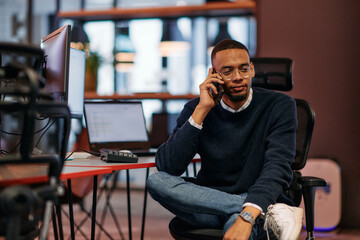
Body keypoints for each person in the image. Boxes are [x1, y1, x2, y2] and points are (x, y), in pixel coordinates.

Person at [146, 39, 303, 240]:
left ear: (252, 70)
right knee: (156, 180)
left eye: (243, 69)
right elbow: (169, 166)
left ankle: (251, 210)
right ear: (214, 74)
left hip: (259, 202)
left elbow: (278, 166)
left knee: (236, 227)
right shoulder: (197, 108)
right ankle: (265, 212)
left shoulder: (280, 105)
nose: (238, 77)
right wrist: (202, 110)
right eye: (228, 71)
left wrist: (248, 213)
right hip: (212, 206)